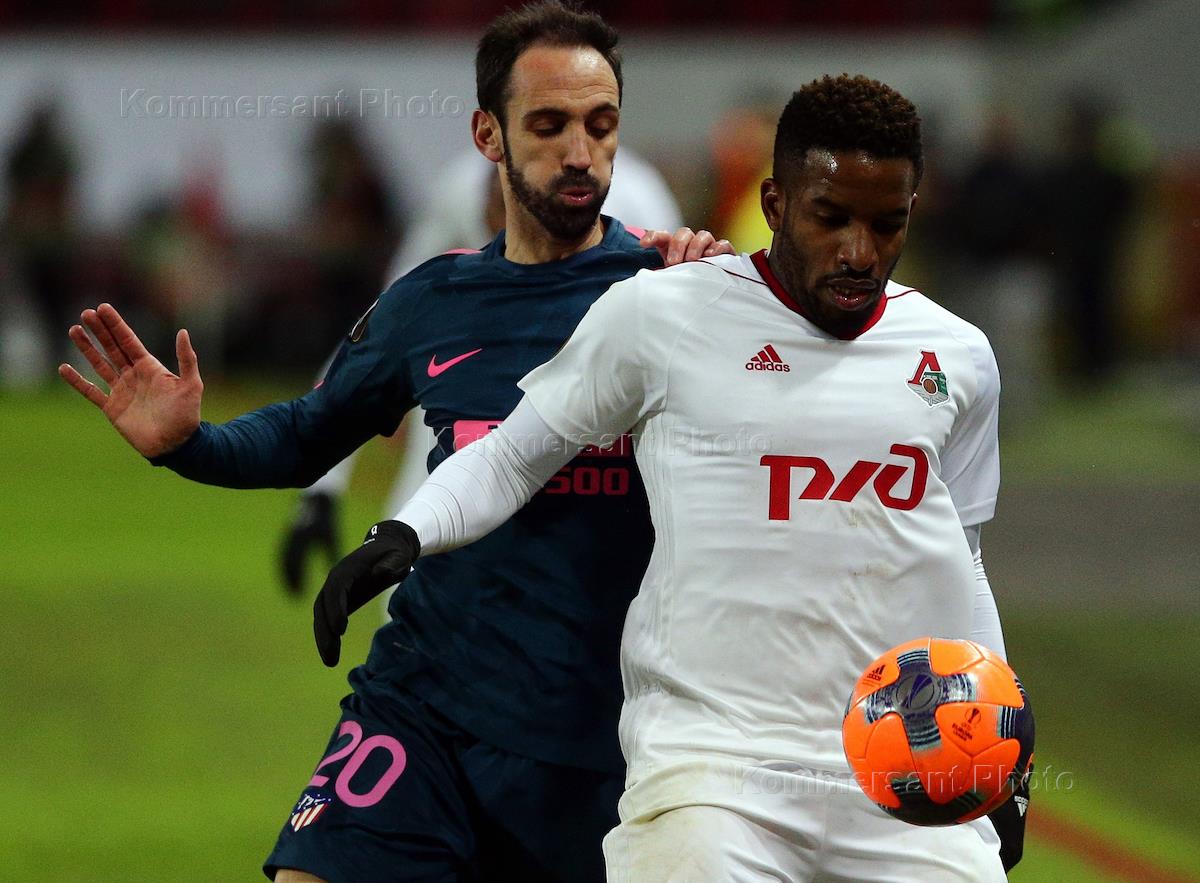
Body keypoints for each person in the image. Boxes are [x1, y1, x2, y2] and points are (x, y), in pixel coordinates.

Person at [58, 3, 729, 881]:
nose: (580, 153)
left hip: (602, 734)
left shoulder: (675, 290)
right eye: (549, 126)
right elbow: (308, 431)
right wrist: (189, 443)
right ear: (488, 134)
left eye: (600, 126)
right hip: (426, 703)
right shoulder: (432, 300)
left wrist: (730, 303)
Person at [319, 74, 1029, 880]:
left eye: (886, 223)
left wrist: (1005, 740)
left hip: (899, 772)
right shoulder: (661, 314)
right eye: (831, 217)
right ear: (775, 202)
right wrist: (406, 530)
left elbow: (961, 558)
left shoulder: (957, 356)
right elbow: (516, 453)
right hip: (712, 777)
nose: (859, 251)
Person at [279, 143, 683, 596]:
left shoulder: (640, 202)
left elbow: (676, 351)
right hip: (444, 504)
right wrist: (323, 484)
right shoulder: (461, 192)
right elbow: (382, 327)